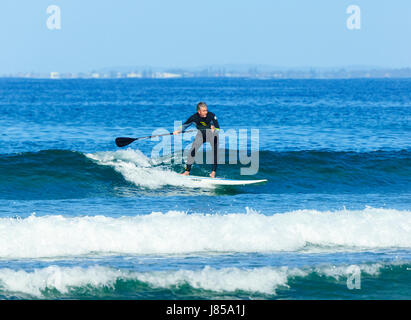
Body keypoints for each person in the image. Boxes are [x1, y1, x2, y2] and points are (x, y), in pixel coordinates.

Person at [173, 102, 220, 178]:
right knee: (192, 151)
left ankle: (213, 173)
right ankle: (187, 172)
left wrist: (214, 129)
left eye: (206, 110)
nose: (206, 112)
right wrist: (178, 131)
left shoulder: (211, 115)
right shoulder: (194, 117)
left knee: (215, 152)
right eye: (204, 111)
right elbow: (185, 125)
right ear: (199, 111)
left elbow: (218, 128)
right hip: (201, 135)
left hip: (213, 135)